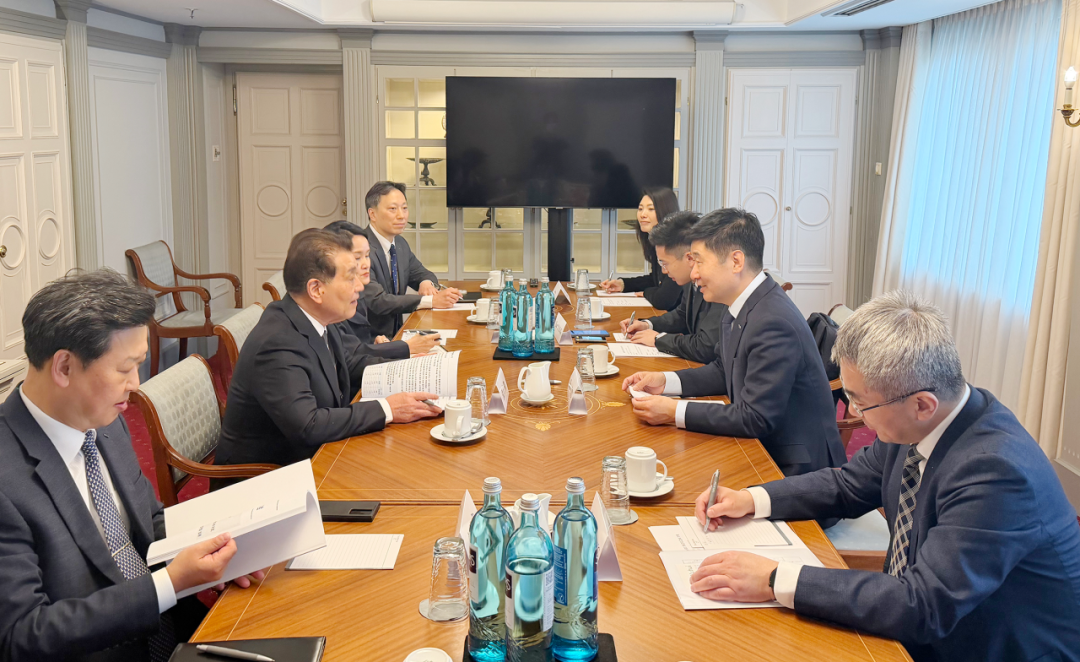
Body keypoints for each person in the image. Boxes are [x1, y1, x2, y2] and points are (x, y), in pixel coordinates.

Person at [691, 292, 1080, 662]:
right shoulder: (918, 420)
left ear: (922, 404)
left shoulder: (996, 473)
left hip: (981, 648)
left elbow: (924, 604)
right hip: (921, 626)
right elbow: (847, 484)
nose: (853, 412)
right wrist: (751, 499)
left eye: (860, 402)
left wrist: (774, 579)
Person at [0, 269, 264, 662]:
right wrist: (168, 584)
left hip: (179, 632)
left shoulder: (104, 421)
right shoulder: (7, 480)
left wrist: (215, 548)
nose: (136, 384)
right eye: (125, 369)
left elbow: (147, 522)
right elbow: (22, 635)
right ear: (64, 367)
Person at [622, 208, 846, 476]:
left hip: (793, 467)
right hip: (762, 447)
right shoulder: (742, 305)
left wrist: (674, 411)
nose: (693, 274)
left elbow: (755, 418)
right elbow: (723, 369)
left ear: (736, 261)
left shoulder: (773, 321)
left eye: (699, 262)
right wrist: (665, 381)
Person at [215, 229, 440, 478]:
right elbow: (308, 426)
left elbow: (349, 365)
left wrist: (409, 368)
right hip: (269, 480)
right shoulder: (277, 342)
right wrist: (387, 408)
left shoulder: (316, 316)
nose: (360, 286)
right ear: (316, 289)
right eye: (350, 278)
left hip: (317, 456)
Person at [619, 211, 727, 364]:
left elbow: (706, 346)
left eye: (665, 263)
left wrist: (658, 339)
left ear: (689, 257)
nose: (664, 271)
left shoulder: (719, 285)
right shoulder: (690, 281)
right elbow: (682, 315)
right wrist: (647, 324)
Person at [324, 220, 439, 358]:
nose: (366, 264)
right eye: (357, 258)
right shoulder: (329, 304)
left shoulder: (400, 243)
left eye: (367, 256)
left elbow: (356, 343)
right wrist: (403, 348)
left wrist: (374, 343)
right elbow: (349, 356)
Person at [361, 181, 462, 337]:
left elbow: (422, 273)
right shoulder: (361, 249)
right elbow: (378, 301)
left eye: (405, 208)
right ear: (372, 214)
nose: (401, 216)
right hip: (370, 340)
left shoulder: (400, 243)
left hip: (398, 335)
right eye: (393, 209)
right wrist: (431, 301)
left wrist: (425, 283)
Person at [598, 187, 683, 312]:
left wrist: (646, 293)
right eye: (640, 209)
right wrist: (623, 284)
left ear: (666, 211)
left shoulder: (677, 247)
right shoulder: (658, 243)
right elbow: (655, 279)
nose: (643, 215)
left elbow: (664, 299)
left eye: (651, 209)